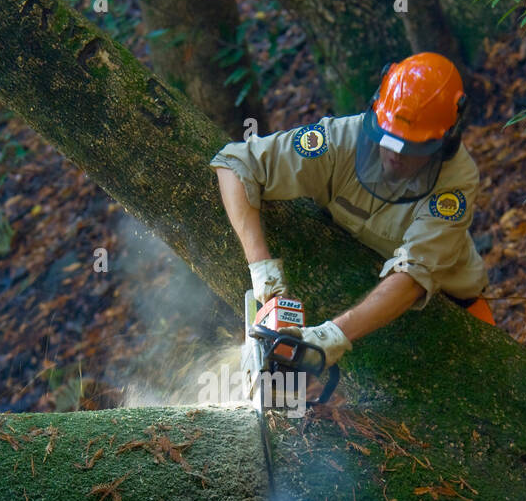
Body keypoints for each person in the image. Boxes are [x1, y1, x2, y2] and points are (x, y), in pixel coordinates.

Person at [210, 51, 494, 369]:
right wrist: (264, 272)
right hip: (365, 299)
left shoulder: (456, 181)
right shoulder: (340, 142)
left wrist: (331, 336)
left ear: (446, 141)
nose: (395, 155)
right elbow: (234, 164)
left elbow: (415, 273)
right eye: (388, 138)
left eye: (412, 148)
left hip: (454, 305)